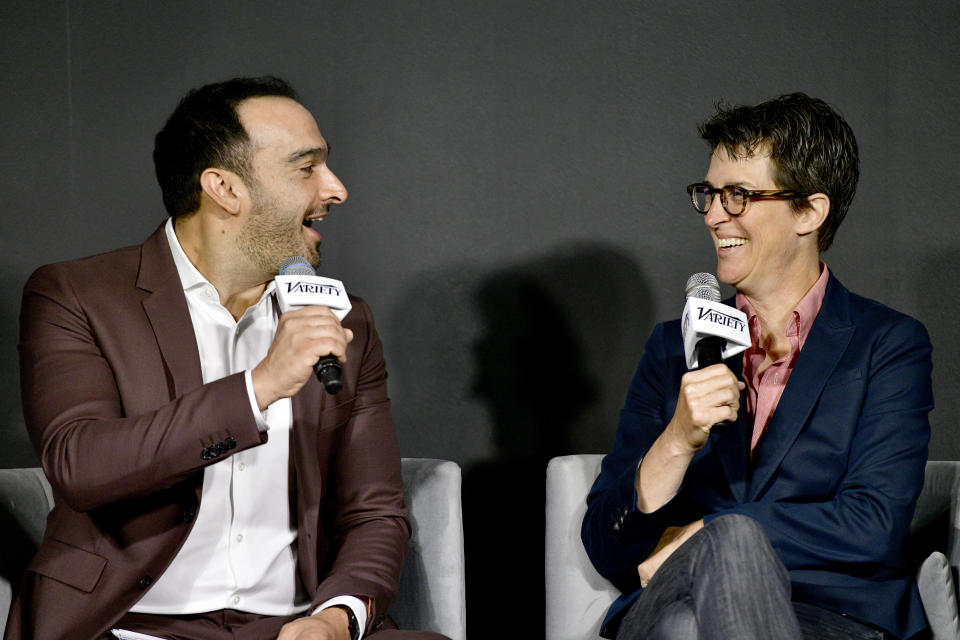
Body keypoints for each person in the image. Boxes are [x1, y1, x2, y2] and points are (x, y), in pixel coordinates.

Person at [9, 77, 449, 640]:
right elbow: (81, 465)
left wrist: (337, 618)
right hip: (129, 625)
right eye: (306, 168)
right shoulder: (77, 294)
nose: (336, 189)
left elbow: (373, 512)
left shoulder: (342, 320)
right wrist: (259, 386)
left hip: (291, 627)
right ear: (224, 188)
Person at [582, 93, 933, 640]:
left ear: (810, 212)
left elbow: (873, 526)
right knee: (679, 617)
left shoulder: (886, 345)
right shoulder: (674, 348)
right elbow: (607, 543)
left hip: (832, 618)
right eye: (710, 194)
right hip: (676, 595)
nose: (715, 214)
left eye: (739, 195)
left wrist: (711, 531)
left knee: (686, 624)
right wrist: (677, 438)